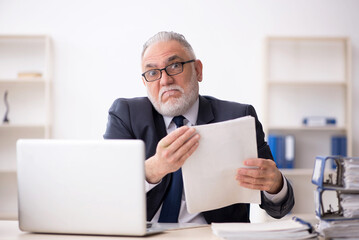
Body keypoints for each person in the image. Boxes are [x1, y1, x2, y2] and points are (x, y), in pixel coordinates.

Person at [104, 31, 294, 224]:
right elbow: (109, 189)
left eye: (175, 66)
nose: (165, 80)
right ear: (145, 82)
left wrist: (275, 185)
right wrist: (154, 168)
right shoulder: (125, 114)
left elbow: (278, 208)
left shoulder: (238, 116)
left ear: (198, 70)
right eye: (153, 72)